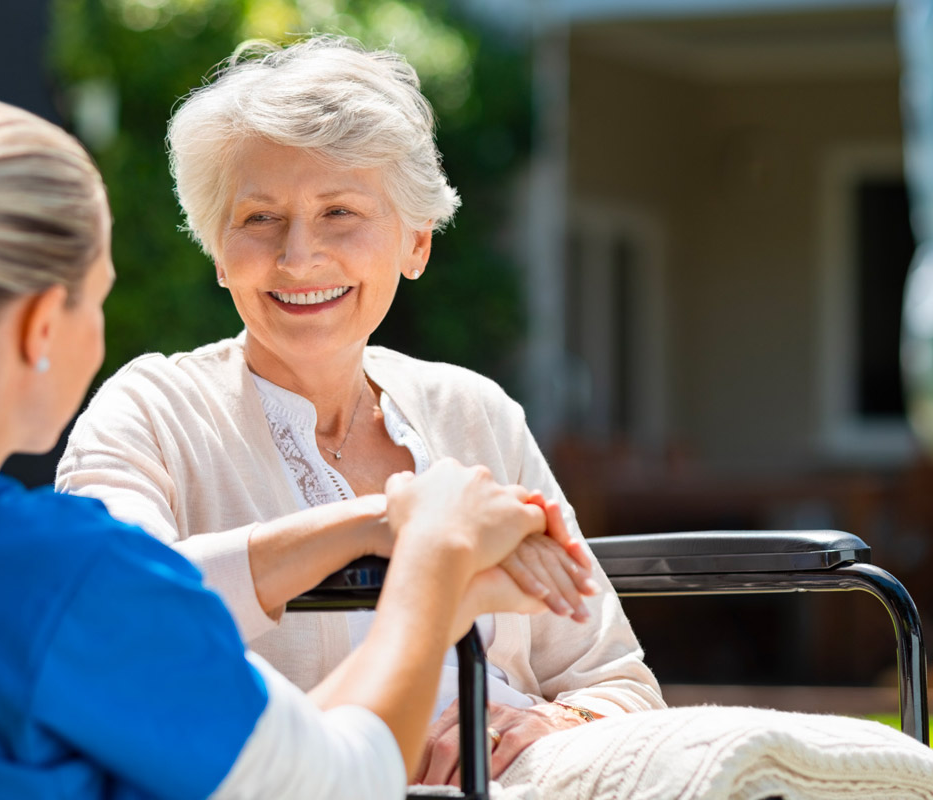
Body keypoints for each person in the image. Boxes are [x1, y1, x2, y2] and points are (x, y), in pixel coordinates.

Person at [0, 92, 556, 799]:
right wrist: (435, 558)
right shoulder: (66, 582)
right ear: (38, 328)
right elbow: (337, 784)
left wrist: (370, 524)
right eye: (99, 299)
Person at [55, 35, 665, 786]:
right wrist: (388, 524)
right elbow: (115, 614)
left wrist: (546, 723)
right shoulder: (149, 410)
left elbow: (617, 682)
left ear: (416, 242)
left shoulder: (475, 413)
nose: (298, 257)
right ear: (218, 252)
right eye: (259, 219)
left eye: (339, 212)